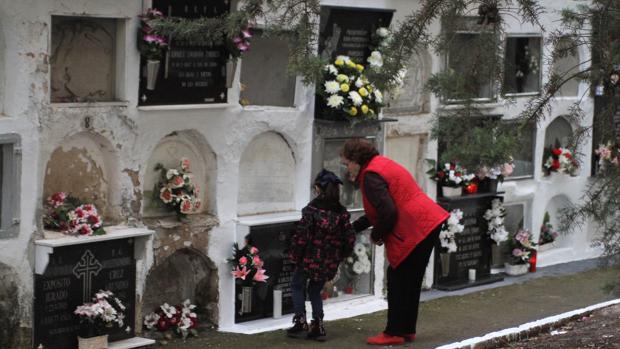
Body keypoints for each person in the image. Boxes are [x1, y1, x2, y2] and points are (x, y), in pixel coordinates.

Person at [341, 138, 449, 346]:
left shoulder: (370, 176)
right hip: (428, 221)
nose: (347, 169)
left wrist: (376, 235)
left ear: (356, 160)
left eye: (347, 164)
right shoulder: (381, 164)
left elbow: (388, 212)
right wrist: (352, 228)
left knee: (398, 278)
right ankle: (406, 330)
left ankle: (394, 332)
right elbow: (380, 210)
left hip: (415, 226)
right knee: (410, 279)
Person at [286, 169, 356, 341]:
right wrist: (340, 256)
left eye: (315, 187)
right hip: (328, 262)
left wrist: (294, 255)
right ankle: (317, 325)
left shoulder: (311, 210)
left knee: (296, 285)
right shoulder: (341, 213)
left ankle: (300, 321)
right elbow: (350, 238)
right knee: (315, 290)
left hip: (308, 259)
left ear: (319, 189)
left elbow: (301, 236)